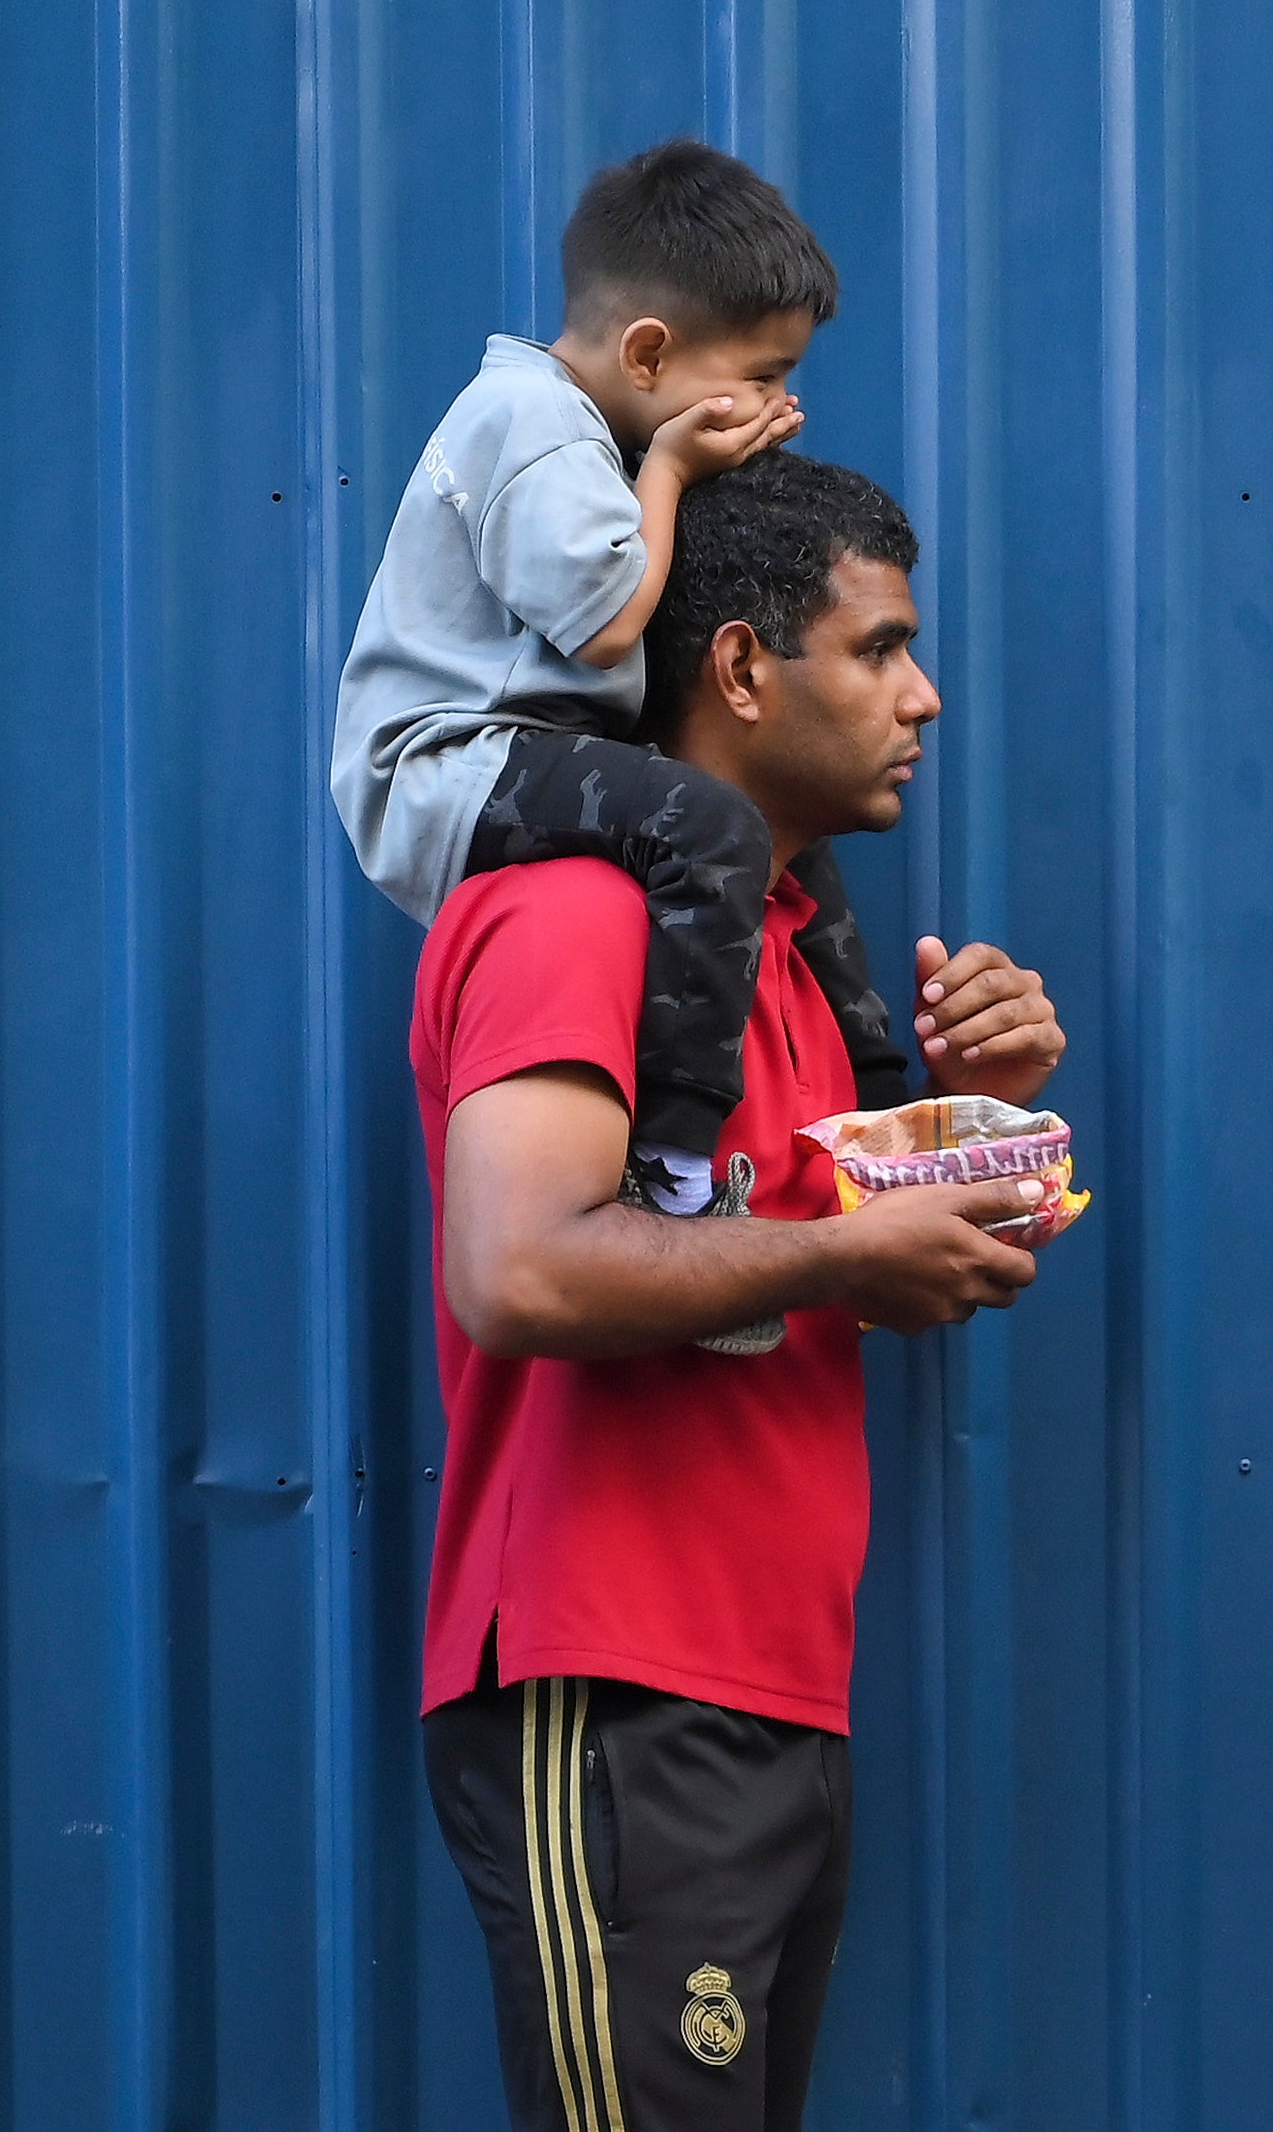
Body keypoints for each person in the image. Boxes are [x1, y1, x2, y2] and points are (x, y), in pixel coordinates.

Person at [394, 451, 1070, 2132]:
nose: (921, 696)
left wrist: (959, 1134)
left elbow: (810, 1261)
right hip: (601, 1675)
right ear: (738, 662)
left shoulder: (774, 952)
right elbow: (531, 1259)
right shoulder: (572, 909)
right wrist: (836, 1233)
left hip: (767, 1678)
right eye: (885, 647)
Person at [332, 138, 915, 1285]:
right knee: (714, 828)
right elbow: (604, 624)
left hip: (536, 749)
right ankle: (675, 1166)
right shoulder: (529, 418)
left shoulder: (593, 426)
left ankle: (886, 1110)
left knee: (789, 857)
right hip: (453, 765)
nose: (776, 404)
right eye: (758, 374)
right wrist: (669, 477)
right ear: (648, 350)